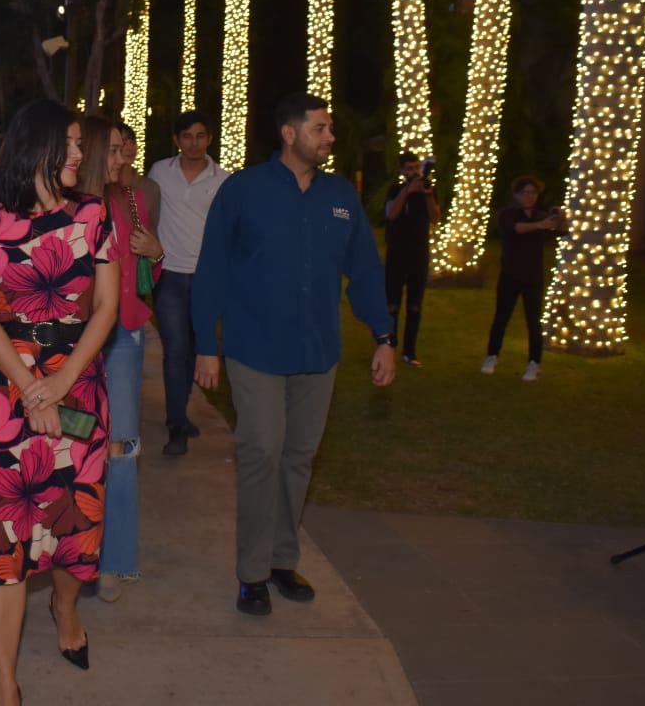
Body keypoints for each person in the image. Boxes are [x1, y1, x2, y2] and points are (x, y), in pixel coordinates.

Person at [192, 93, 395, 617]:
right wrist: (203, 346)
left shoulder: (340, 197)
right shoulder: (243, 190)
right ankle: (252, 573)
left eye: (330, 129)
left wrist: (383, 336)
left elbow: (367, 272)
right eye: (321, 128)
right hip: (253, 348)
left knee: (299, 457)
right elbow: (211, 268)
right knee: (262, 451)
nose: (330, 137)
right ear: (289, 132)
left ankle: (283, 560)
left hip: (318, 352)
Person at [0, 99, 118, 706]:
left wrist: (61, 382)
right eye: (72, 143)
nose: (81, 154)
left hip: (78, 387)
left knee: (71, 528)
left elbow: (105, 309)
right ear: (40, 149)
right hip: (2, 396)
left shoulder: (94, 216)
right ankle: (6, 683)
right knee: (5, 542)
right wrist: (29, 387)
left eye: (81, 144)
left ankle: (65, 606)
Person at [77, 115, 163, 604]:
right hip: (72, 339)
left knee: (122, 448)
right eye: (111, 150)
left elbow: (147, 268)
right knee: (74, 442)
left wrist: (157, 250)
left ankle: (116, 561)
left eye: (124, 149)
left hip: (124, 334)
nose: (122, 157)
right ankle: (74, 552)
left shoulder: (130, 198)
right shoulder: (65, 203)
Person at [147, 110, 229, 455]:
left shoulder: (223, 179)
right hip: (168, 275)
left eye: (200, 136)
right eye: (187, 137)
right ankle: (176, 424)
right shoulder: (159, 173)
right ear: (176, 140)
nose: (193, 143)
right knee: (175, 348)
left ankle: (181, 410)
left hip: (207, 278)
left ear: (209, 138)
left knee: (195, 349)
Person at [481, 176, 563, 382]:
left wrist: (561, 218)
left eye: (533, 193)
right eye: (525, 192)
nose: (529, 197)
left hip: (533, 277)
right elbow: (516, 228)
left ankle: (534, 362)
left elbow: (562, 231)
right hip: (510, 274)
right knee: (501, 318)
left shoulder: (541, 216)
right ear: (517, 194)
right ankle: (492, 356)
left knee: (534, 322)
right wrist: (540, 225)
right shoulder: (507, 214)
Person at [383, 152, 440, 368]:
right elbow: (391, 214)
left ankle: (409, 352)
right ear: (401, 171)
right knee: (392, 306)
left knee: (415, 306)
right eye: (409, 168)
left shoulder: (428, 189)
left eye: (416, 167)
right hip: (397, 254)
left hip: (419, 255)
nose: (414, 172)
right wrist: (407, 192)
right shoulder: (395, 190)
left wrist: (427, 194)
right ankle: (388, 348)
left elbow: (435, 218)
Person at [114, 119, 161, 231]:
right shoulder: (104, 186)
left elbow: (153, 229)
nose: (130, 148)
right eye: (124, 143)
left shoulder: (150, 187)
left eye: (132, 142)